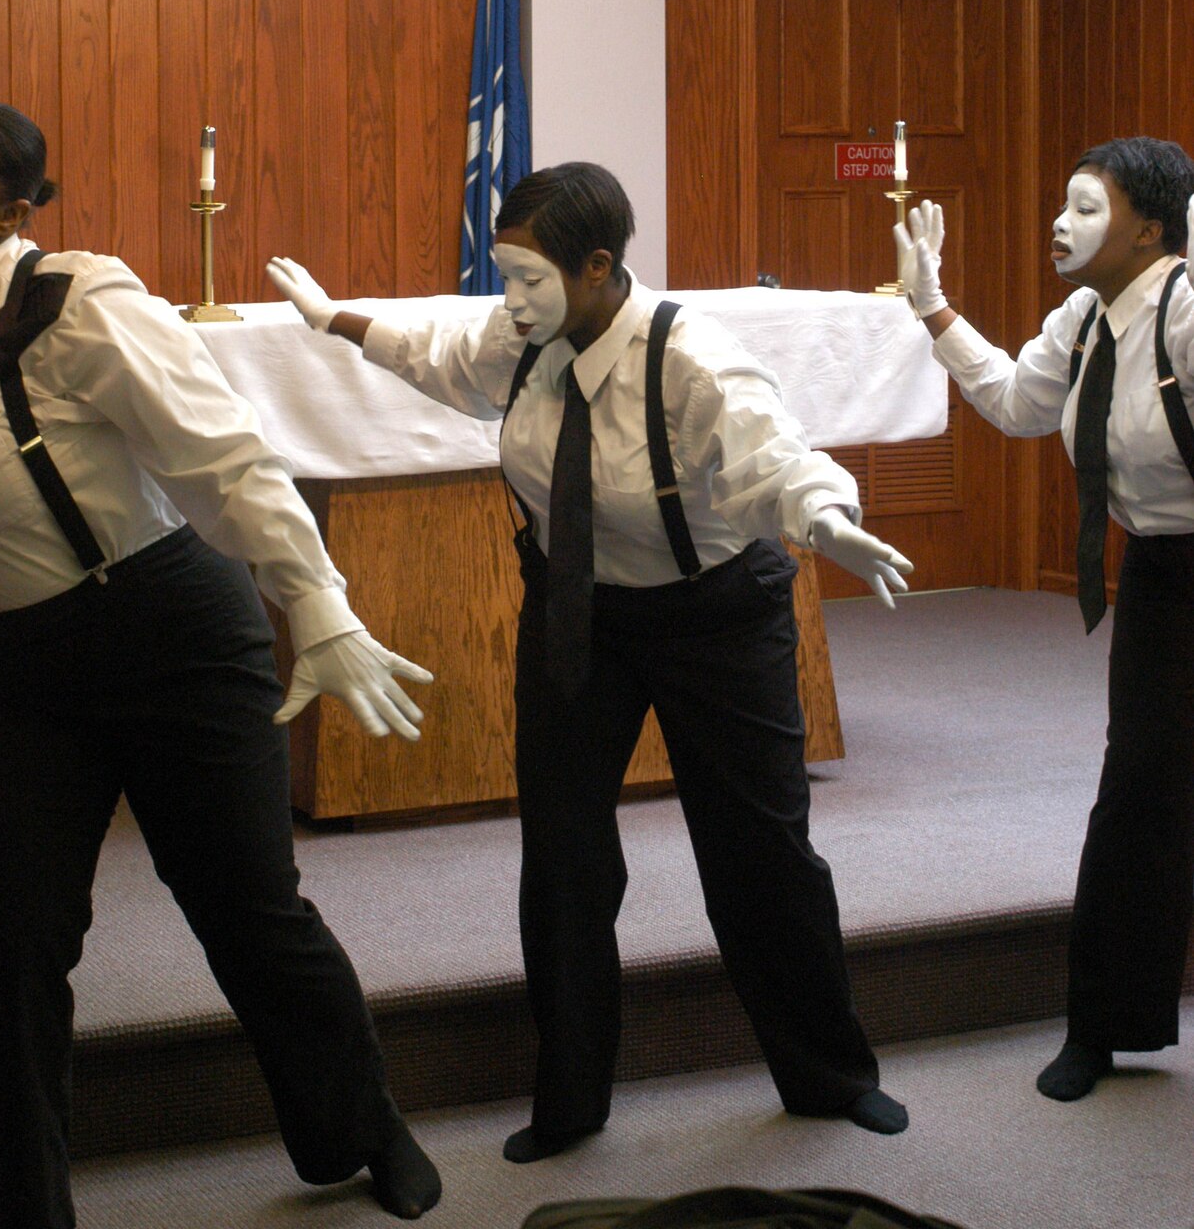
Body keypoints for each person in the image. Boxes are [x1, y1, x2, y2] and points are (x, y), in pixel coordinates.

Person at [0, 100, 441, 1229]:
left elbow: (226, 461)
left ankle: (360, 1124)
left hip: (168, 636)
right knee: (17, 947)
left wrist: (315, 604)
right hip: (11, 671)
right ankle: (35, 1208)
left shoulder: (80, 300)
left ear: (14, 210)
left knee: (247, 911)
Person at [269, 160, 914, 1163]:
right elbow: (443, 357)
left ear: (601, 266)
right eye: (504, 273)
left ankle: (830, 1076)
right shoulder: (522, 335)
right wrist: (336, 321)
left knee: (758, 855)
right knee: (564, 858)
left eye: (528, 277)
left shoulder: (692, 360)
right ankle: (570, 1096)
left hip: (717, 621)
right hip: (578, 613)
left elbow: (772, 452)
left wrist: (825, 515)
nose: (508, 300)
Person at [894, 135, 1194, 1104]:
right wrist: (930, 304)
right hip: (1160, 570)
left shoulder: (1188, 312)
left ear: (1149, 228)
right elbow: (1021, 405)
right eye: (1061, 203)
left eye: (1085, 206)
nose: (1059, 224)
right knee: (1136, 795)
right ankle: (1104, 1028)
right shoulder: (1082, 315)